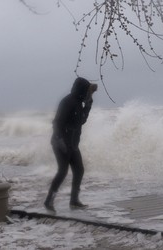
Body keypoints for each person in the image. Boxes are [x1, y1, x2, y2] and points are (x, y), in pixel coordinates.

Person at [44, 77, 97, 212]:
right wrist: (59, 140)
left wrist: (88, 104)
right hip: (60, 142)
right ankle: (49, 200)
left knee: (79, 170)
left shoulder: (79, 103)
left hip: (73, 143)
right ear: (81, 89)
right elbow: (57, 123)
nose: (87, 92)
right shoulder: (67, 102)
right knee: (63, 171)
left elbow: (81, 121)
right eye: (86, 90)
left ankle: (74, 200)